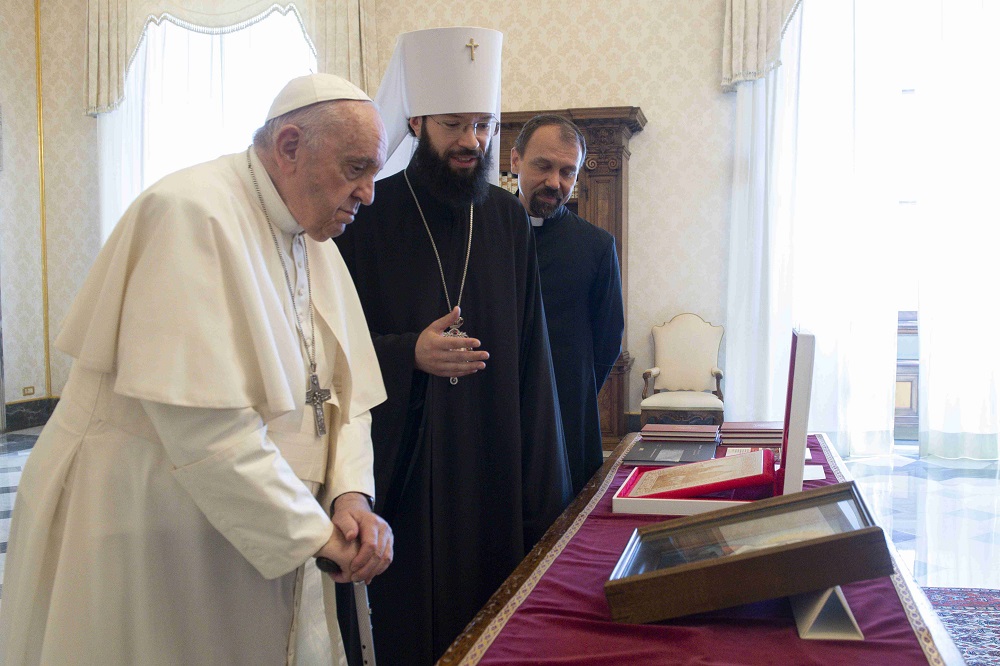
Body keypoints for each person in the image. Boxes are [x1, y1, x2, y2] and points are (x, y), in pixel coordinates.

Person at [0, 74, 393, 665]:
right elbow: (205, 431)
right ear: (289, 147)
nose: (368, 193)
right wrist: (314, 534)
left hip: (268, 523)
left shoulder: (314, 240)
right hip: (151, 524)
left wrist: (349, 497)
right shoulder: (188, 214)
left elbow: (344, 396)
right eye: (355, 168)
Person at [333, 27, 572, 665]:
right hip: (401, 468)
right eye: (454, 124)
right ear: (416, 119)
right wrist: (409, 352)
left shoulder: (503, 219)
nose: (473, 141)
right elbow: (329, 352)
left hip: (490, 457)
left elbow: (533, 359)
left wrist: (545, 495)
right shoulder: (366, 217)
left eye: (485, 124)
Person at [511, 115, 625, 495]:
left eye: (567, 172)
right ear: (515, 161)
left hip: (567, 413)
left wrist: (573, 391)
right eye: (543, 166)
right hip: (493, 414)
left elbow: (608, 336)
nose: (554, 182)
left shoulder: (596, 245)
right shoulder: (480, 232)